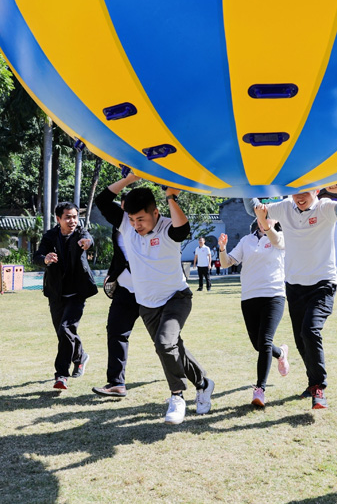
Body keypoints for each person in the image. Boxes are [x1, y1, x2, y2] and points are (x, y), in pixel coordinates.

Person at [94, 172, 214, 425]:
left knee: (164, 344)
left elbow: (183, 230)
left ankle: (177, 396)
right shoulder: (126, 224)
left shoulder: (167, 227)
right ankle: (203, 383)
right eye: (132, 219)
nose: (136, 225)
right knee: (172, 348)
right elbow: (103, 201)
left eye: (141, 219)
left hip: (176, 298)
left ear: (155, 213)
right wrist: (129, 179)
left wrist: (171, 197)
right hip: (147, 303)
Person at [243, 180, 337, 410]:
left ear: (316, 190)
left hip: (323, 283)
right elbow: (253, 208)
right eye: (295, 193)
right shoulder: (285, 207)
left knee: (310, 330)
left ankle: (319, 388)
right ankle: (312, 383)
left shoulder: (325, 207)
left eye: (305, 192)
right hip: (295, 286)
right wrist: (250, 186)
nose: (299, 197)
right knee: (300, 339)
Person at [218, 207, 290, 407]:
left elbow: (276, 241)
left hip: (273, 295)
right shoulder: (246, 241)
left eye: (266, 217)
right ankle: (281, 353)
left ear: (275, 220)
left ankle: (260, 389)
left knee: (265, 341)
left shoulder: (281, 238)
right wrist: (222, 249)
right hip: (249, 297)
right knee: (258, 345)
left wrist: (268, 226)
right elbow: (227, 263)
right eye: (260, 218)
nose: (262, 220)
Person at [34, 202, 98, 390]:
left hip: (78, 292)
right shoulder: (50, 236)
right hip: (56, 292)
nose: (72, 221)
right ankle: (80, 356)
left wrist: (88, 243)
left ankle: (61, 375)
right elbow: (37, 256)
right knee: (64, 333)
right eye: (68, 217)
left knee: (66, 329)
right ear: (58, 219)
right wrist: (45, 259)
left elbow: (88, 239)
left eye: (74, 217)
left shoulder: (80, 233)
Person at [93, 193, 140, 398]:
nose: (126, 213)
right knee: (116, 332)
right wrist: (113, 274)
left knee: (165, 341)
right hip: (124, 290)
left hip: (151, 291)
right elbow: (120, 254)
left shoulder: (155, 226)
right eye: (123, 207)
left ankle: (185, 383)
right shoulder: (119, 225)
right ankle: (116, 383)